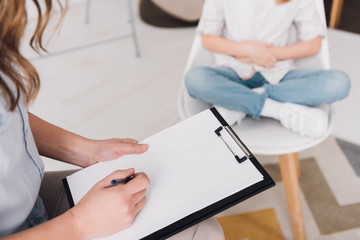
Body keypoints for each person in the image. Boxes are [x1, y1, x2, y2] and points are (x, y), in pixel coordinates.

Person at [0, 0, 224, 239]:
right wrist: (79, 224)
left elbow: (9, 115)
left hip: (31, 201)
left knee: (201, 225)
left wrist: (84, 151)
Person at [185, 0, 351, 138]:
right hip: (231, 71)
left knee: (339, 83)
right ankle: (276, 110)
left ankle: (239, 104)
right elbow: (208, 38)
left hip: (278, 74)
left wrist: (267, 54)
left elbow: (313, 45)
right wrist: (247, 50)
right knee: (195, 79)